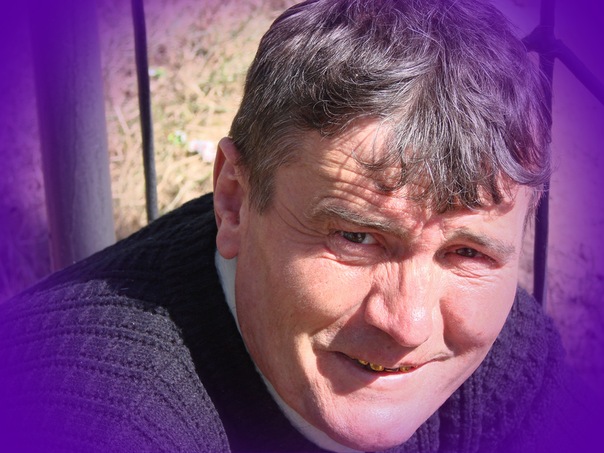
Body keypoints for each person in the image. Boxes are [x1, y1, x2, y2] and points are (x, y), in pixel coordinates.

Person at [0, 0, 600, 451]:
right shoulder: (95, 423)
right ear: (234, 201)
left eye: (467, 252)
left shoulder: (500, 362)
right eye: (356, 237)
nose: (409, 324)